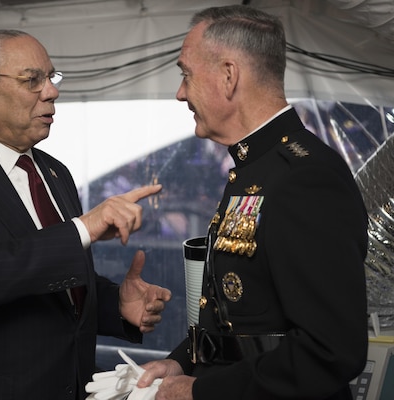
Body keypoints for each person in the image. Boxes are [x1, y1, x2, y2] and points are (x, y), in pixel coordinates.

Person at [0, 30, 171, 400]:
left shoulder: (55, 174)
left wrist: (115, 304)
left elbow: (56, 287)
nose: (51, 91)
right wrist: (82, 228)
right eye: (32, 79)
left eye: (51, 78)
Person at [136, 5, 368, 400]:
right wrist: (181, 363)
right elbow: (241, 323)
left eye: (185, 75)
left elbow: (330, 352)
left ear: (228, 76)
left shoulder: (304, 178)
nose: (180, 93)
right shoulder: (255, 168)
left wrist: (201, 392)